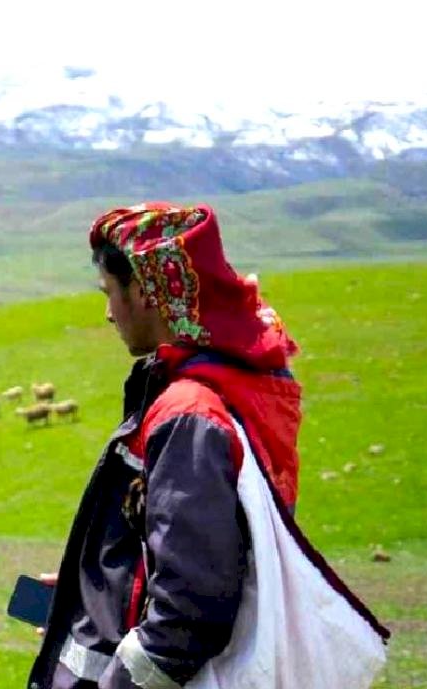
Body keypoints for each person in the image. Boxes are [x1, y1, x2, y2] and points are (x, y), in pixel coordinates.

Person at [27, 202, 308, 689]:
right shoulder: (221, 388)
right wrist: (95, 591)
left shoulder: (189, 414)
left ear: (141, 291)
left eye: (110, 293)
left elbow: (190, 606)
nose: (109, 313)